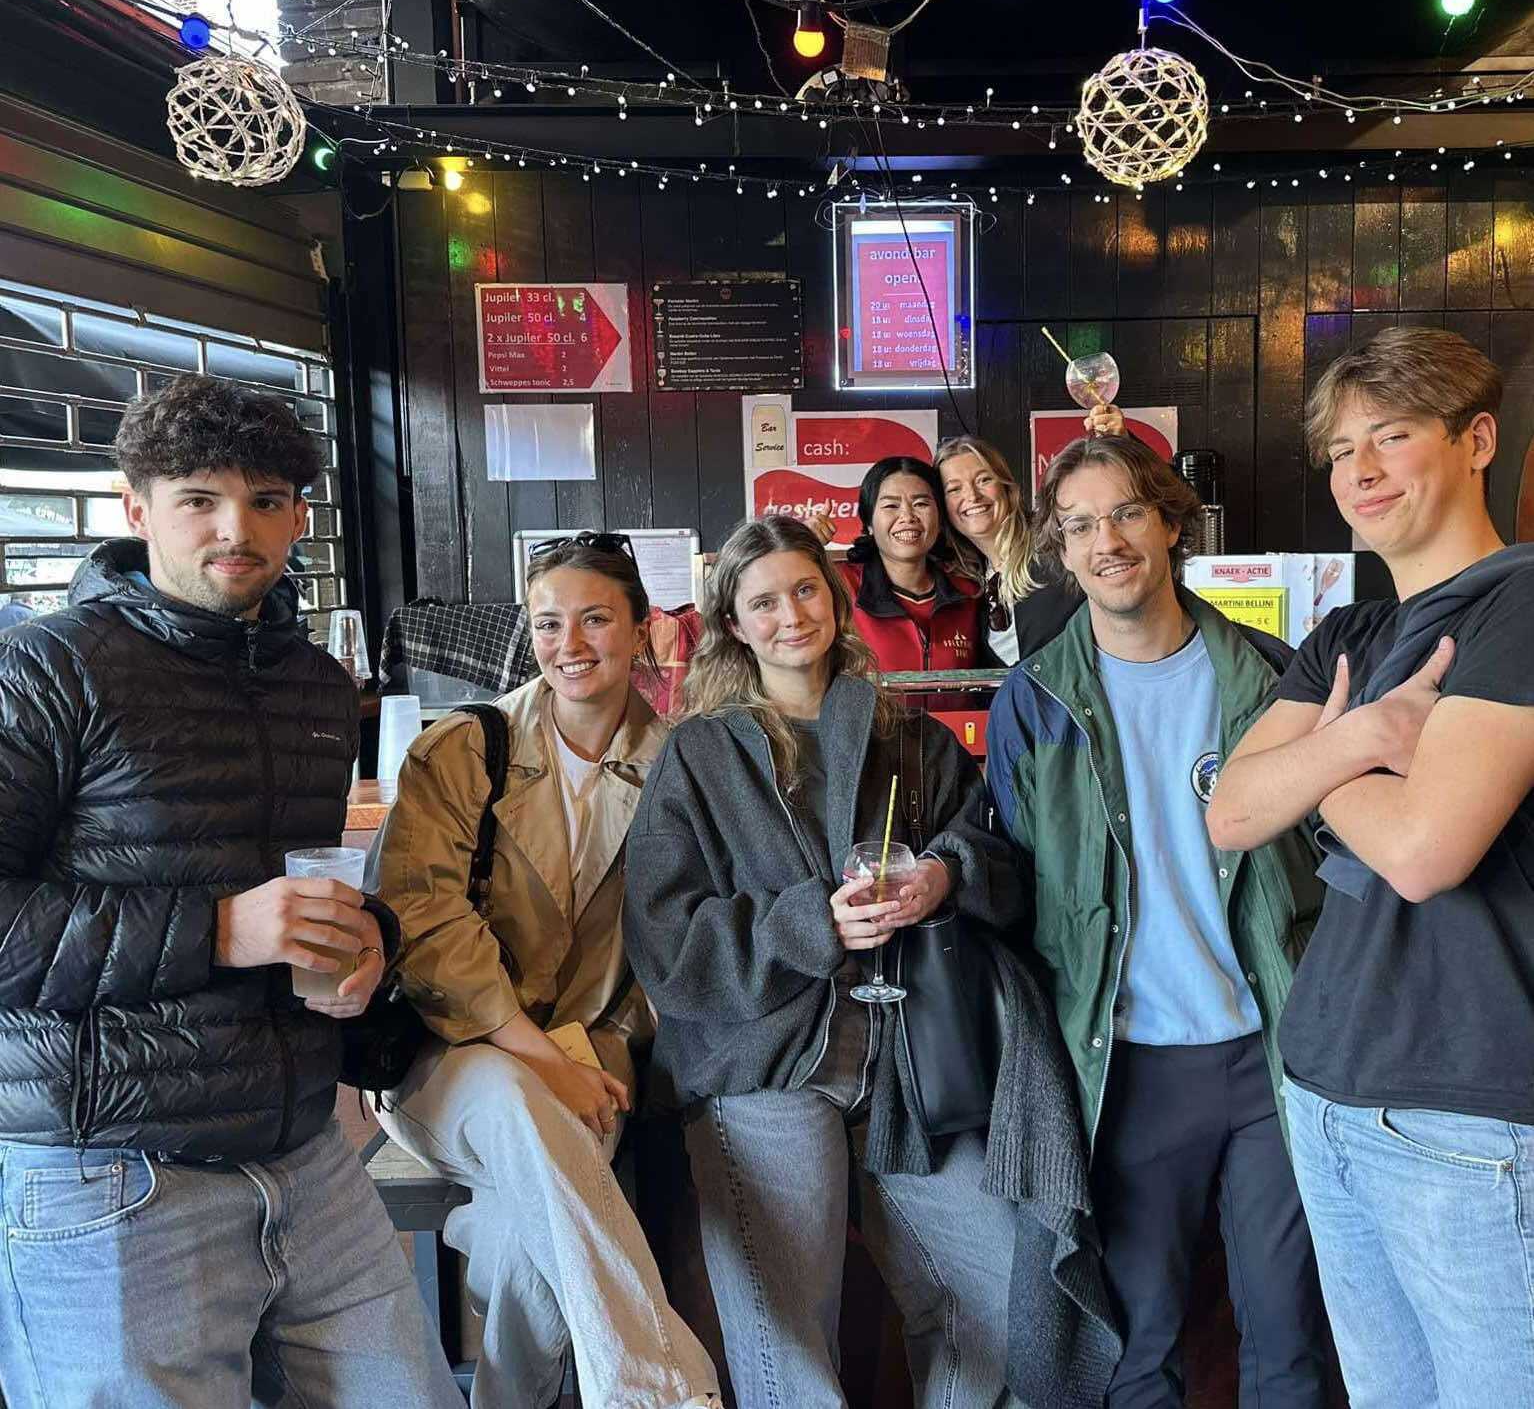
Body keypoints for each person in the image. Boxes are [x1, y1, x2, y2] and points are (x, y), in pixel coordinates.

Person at [0, 375, 462, 1409]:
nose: (234, 527)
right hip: (107, 1169)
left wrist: (365, 948)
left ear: (300, 515)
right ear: (135, 508)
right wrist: (214, 930)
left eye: (264, 499)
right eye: (199, 497)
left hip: (301, 1150)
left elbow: (294, 892)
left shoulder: (310, 680)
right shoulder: (42, 670)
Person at [623, 514, 1119, 1409]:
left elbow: (998, 856)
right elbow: (666, 942)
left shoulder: (908, 737)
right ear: (732, 623)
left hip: (911, 1065)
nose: (790, 616)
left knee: (1000, 1295)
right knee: (790, 1337)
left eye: (806, 590)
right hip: (765, 1065)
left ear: (838, 596)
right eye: (763, 601)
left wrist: (943, 874)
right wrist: (808, 924)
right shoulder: (699, 755)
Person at [1206, 326, 1534, 1409]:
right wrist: (1358, 741)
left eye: (1391, 436)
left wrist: (1308, 758)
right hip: (1326, 1091)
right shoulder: (1348, 627)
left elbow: (1422, 849)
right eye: (1343, 450)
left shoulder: (1517, 606)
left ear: (1476, 438)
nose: (1362, 471)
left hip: (1464, 1112)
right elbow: (1231, 808)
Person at [986, 433, 1328, 1409]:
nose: (1108, 540)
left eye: (1127, 512)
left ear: (1171, 522)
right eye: (1082, 523)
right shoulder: (1034, 702)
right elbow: (1011, 879)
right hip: (1125, 1065)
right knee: (1136, 1352)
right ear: (1059, 547)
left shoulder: (1272, 675)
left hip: (1269, 1055)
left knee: (1289, 1339)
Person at [371, 532, 721, 1409]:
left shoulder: (679, 763)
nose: (571, 644)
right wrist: (538, 1054)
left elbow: (675, 945)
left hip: (593, 1053)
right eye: (549, 623)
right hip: (444, 1053)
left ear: (643, 629)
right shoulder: (462, 750)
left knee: (520, 1234)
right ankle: (657, 1385)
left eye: (596, 619)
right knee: (529, 1115)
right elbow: (425, 923)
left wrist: (596, 1056)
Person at [935, 403, 1123, 668]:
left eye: (983, 480)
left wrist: (1121, 444)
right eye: (954, 489)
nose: (972, 496)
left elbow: (1119, 501)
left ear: (1006, 486)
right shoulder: (967, 579)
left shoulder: (1053, 539)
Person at [840, 455, 982, 671]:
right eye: (891, 506)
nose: (907, 516)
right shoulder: (840, 586)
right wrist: (803, 544)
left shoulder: (969, 593)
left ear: (940, 518)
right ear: (869, 522)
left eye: (921, 503)